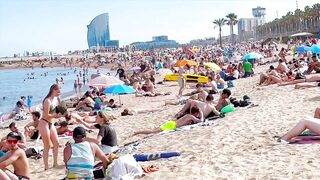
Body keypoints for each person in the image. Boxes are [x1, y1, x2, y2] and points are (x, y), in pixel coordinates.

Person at [133, 107, 204, 136]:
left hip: (171, 123)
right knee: (152, 132)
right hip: (171, 125)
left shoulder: (188, 115)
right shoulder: (190, 116)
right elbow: (200, 121)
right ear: (195, 113)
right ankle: (137, 132)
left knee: (153, 130)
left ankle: (137, 132)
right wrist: (202, 113)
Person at [39, 84, 61, 170]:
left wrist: (60, 114)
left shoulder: (56, 99)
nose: (59, 92)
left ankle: (55, 163)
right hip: (44, 123)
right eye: (58, 90)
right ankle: (46, 166)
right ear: (53, 90)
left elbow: (56, 112)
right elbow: (46, 115)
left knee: (56, 143)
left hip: (51, 123)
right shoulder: (47, 101)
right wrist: (56, 115)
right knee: (47, 146)